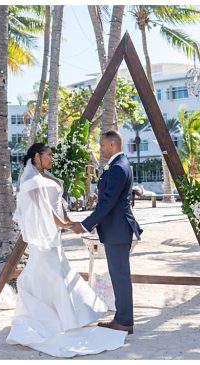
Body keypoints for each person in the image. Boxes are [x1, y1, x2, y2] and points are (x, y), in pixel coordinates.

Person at [7, 143, 126, 357]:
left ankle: (65, 316)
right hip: (44, 238)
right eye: (48, 155)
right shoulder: (30, 181)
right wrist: (63, 223)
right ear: (37, 157)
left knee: (53, 274)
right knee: (52, 274)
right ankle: (55, 319)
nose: (52, 158)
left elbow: (56, 202)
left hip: (54, 236)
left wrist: (68, 220)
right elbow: (43, 208)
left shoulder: (46, 177)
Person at [71, 130, 143, 334]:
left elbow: (107, 203)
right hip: (116, 229)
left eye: (102, 145)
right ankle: (121, 318)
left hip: (118, 230)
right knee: (118, 275)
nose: (100, 149)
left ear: (113, 144)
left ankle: (125, 321)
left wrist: (84, 225)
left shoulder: (119, 167)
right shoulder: (118, 165)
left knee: (120, 276)